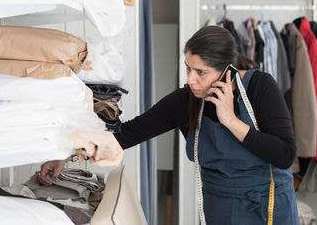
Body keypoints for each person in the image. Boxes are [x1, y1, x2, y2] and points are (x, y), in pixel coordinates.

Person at [39, 26, 299, 224]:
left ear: (227, 71)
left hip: (269, 207)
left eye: (201, 72)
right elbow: (125, 134)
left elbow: (284, 154)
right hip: (220, 208)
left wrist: (230, 120)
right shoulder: (185, 101)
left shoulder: (261, 88)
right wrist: (66, 154)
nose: (191, 80)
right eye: (188, 69)